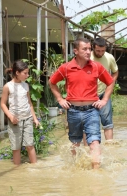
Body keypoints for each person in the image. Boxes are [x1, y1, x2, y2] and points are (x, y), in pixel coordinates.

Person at [49, 37, 114, 169]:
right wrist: (60, 99)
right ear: (76, 51)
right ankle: (75, 170)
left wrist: (105, 100)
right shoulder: (66, 68)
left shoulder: (96, 66)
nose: (88, 51)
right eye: (85, 49)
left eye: (89, 49)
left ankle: (96, 173)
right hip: (73, 111)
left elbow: (110, 82)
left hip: (92, 111)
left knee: (94, 141)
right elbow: (52, 82)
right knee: (75, 142)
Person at [0, 60, 39, 165]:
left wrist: (34, 118)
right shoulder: (8, 86)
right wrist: (10, 117)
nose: (27, 75)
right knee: (16, 147)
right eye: (25, 73)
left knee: (30, 145)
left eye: (27, 73)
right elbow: (3, 104)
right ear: (17, 73)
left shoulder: (25, 86)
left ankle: (35, 168)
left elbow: (29, 103)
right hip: (15, 121)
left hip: (27, 119)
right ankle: (17, 169)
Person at [82, 37, 118, 145]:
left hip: (103, 94)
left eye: (103, 51)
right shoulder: (86, 57)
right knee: (86, 123)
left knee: (107, 122)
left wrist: (110, 83)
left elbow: (115, 72)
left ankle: (110, 147)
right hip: (87, 96)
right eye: (98, 51)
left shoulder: (109, 57)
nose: (100, 53)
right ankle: (87, 149)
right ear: (93, 48)